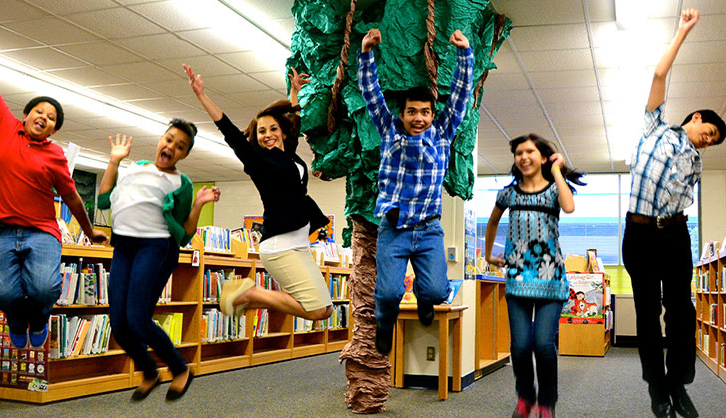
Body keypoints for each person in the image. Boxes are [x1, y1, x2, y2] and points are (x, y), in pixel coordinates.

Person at [622, 8, 725, 418]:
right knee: (647, 311)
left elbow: (682, 200)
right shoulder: (656, 127)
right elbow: (659, 77)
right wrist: (681, 33)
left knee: (681, 310)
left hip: (675, 235)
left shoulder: (697, 162)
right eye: (709, 133)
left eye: (714, 142)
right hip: (639, 233)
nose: (708, 141)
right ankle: (657, 390)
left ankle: (679, 384)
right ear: (696, 118)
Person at [183, 64, 333, 322]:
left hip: (298, 244)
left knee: (326, 309)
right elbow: (230, 132)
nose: (268, 135)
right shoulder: (258, 162)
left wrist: (294, 93)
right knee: (316, 310)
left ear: (282, 132)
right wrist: (201, 96)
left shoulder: (289, 156)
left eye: (273, 129)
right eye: (261, 131)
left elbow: (294, 122)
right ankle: (253, 294)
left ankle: (250, 298)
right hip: (280, 245)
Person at [357, 28, 473, 355]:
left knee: (437, 291)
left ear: (432, 115)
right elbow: (371, 94)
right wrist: (366, 53)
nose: (418, 118)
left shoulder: (443, 135)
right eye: (412, 112)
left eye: (424, 112)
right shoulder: (390, 132)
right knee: (389, 293)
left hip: (429, 230)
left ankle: (426, 300)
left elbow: (461, 97)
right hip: (394, 228)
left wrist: (465, 55)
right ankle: (384, 323)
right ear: (403, 114)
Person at [0, 53, 108, 350]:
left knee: (44, 288)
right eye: (39, 112)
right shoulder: (4, 124)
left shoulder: (55, 156)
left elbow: (72, 197)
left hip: (40, 231)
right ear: (26, 115)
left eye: (51, 119)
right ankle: (17, 318)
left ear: (53, 130)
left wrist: (90, 232)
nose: (44, 118)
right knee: (0, 294)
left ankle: (39, 318)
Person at [97, 122, 220, 401]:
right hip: (124, 246)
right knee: (118, 322)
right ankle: (149, 371)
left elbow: (186, 233)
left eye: (180, 146)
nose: (171, 147)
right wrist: (114, 161)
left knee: (138, 319)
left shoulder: (181, 183)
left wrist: (198, 204)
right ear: (160, 140)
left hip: (157, 247)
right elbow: (104, 198)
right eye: (169, 139)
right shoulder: (136, 168)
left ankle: (180, 369)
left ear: (184, 155)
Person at [484, 134, 585, 418]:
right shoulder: (508, 193)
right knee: (519, 346)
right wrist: (489, 255)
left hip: (550, 278)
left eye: (530, 151)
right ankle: (525, 398)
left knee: (542, 344)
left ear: (543, 157)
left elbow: (569, 206)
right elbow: (492, 222)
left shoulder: (555, 190)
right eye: (518, 153)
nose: (523, 157)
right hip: (517, 277)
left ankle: (547, 401)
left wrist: (557, 169)